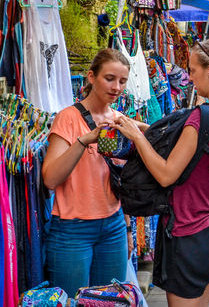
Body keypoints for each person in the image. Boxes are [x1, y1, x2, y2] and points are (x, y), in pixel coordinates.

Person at [113, 38, 209, 306]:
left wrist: (136, 139)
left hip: (187, 232)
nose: (190, 77)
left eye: (193, 70)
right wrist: (136, 126)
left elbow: (166, 174)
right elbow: (183, 145)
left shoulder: (203, 116)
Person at [42, 49, 145, 296]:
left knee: (110, 301)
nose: (117, 87)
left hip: (113, 226)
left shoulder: (121, 122)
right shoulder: (68, 118)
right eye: (109, 78)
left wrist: (128, 229)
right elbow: (50, 178)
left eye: (122, 81)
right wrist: (84, 140)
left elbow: (119, 182)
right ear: (91, 77)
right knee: (71, 300)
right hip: (72, 230)